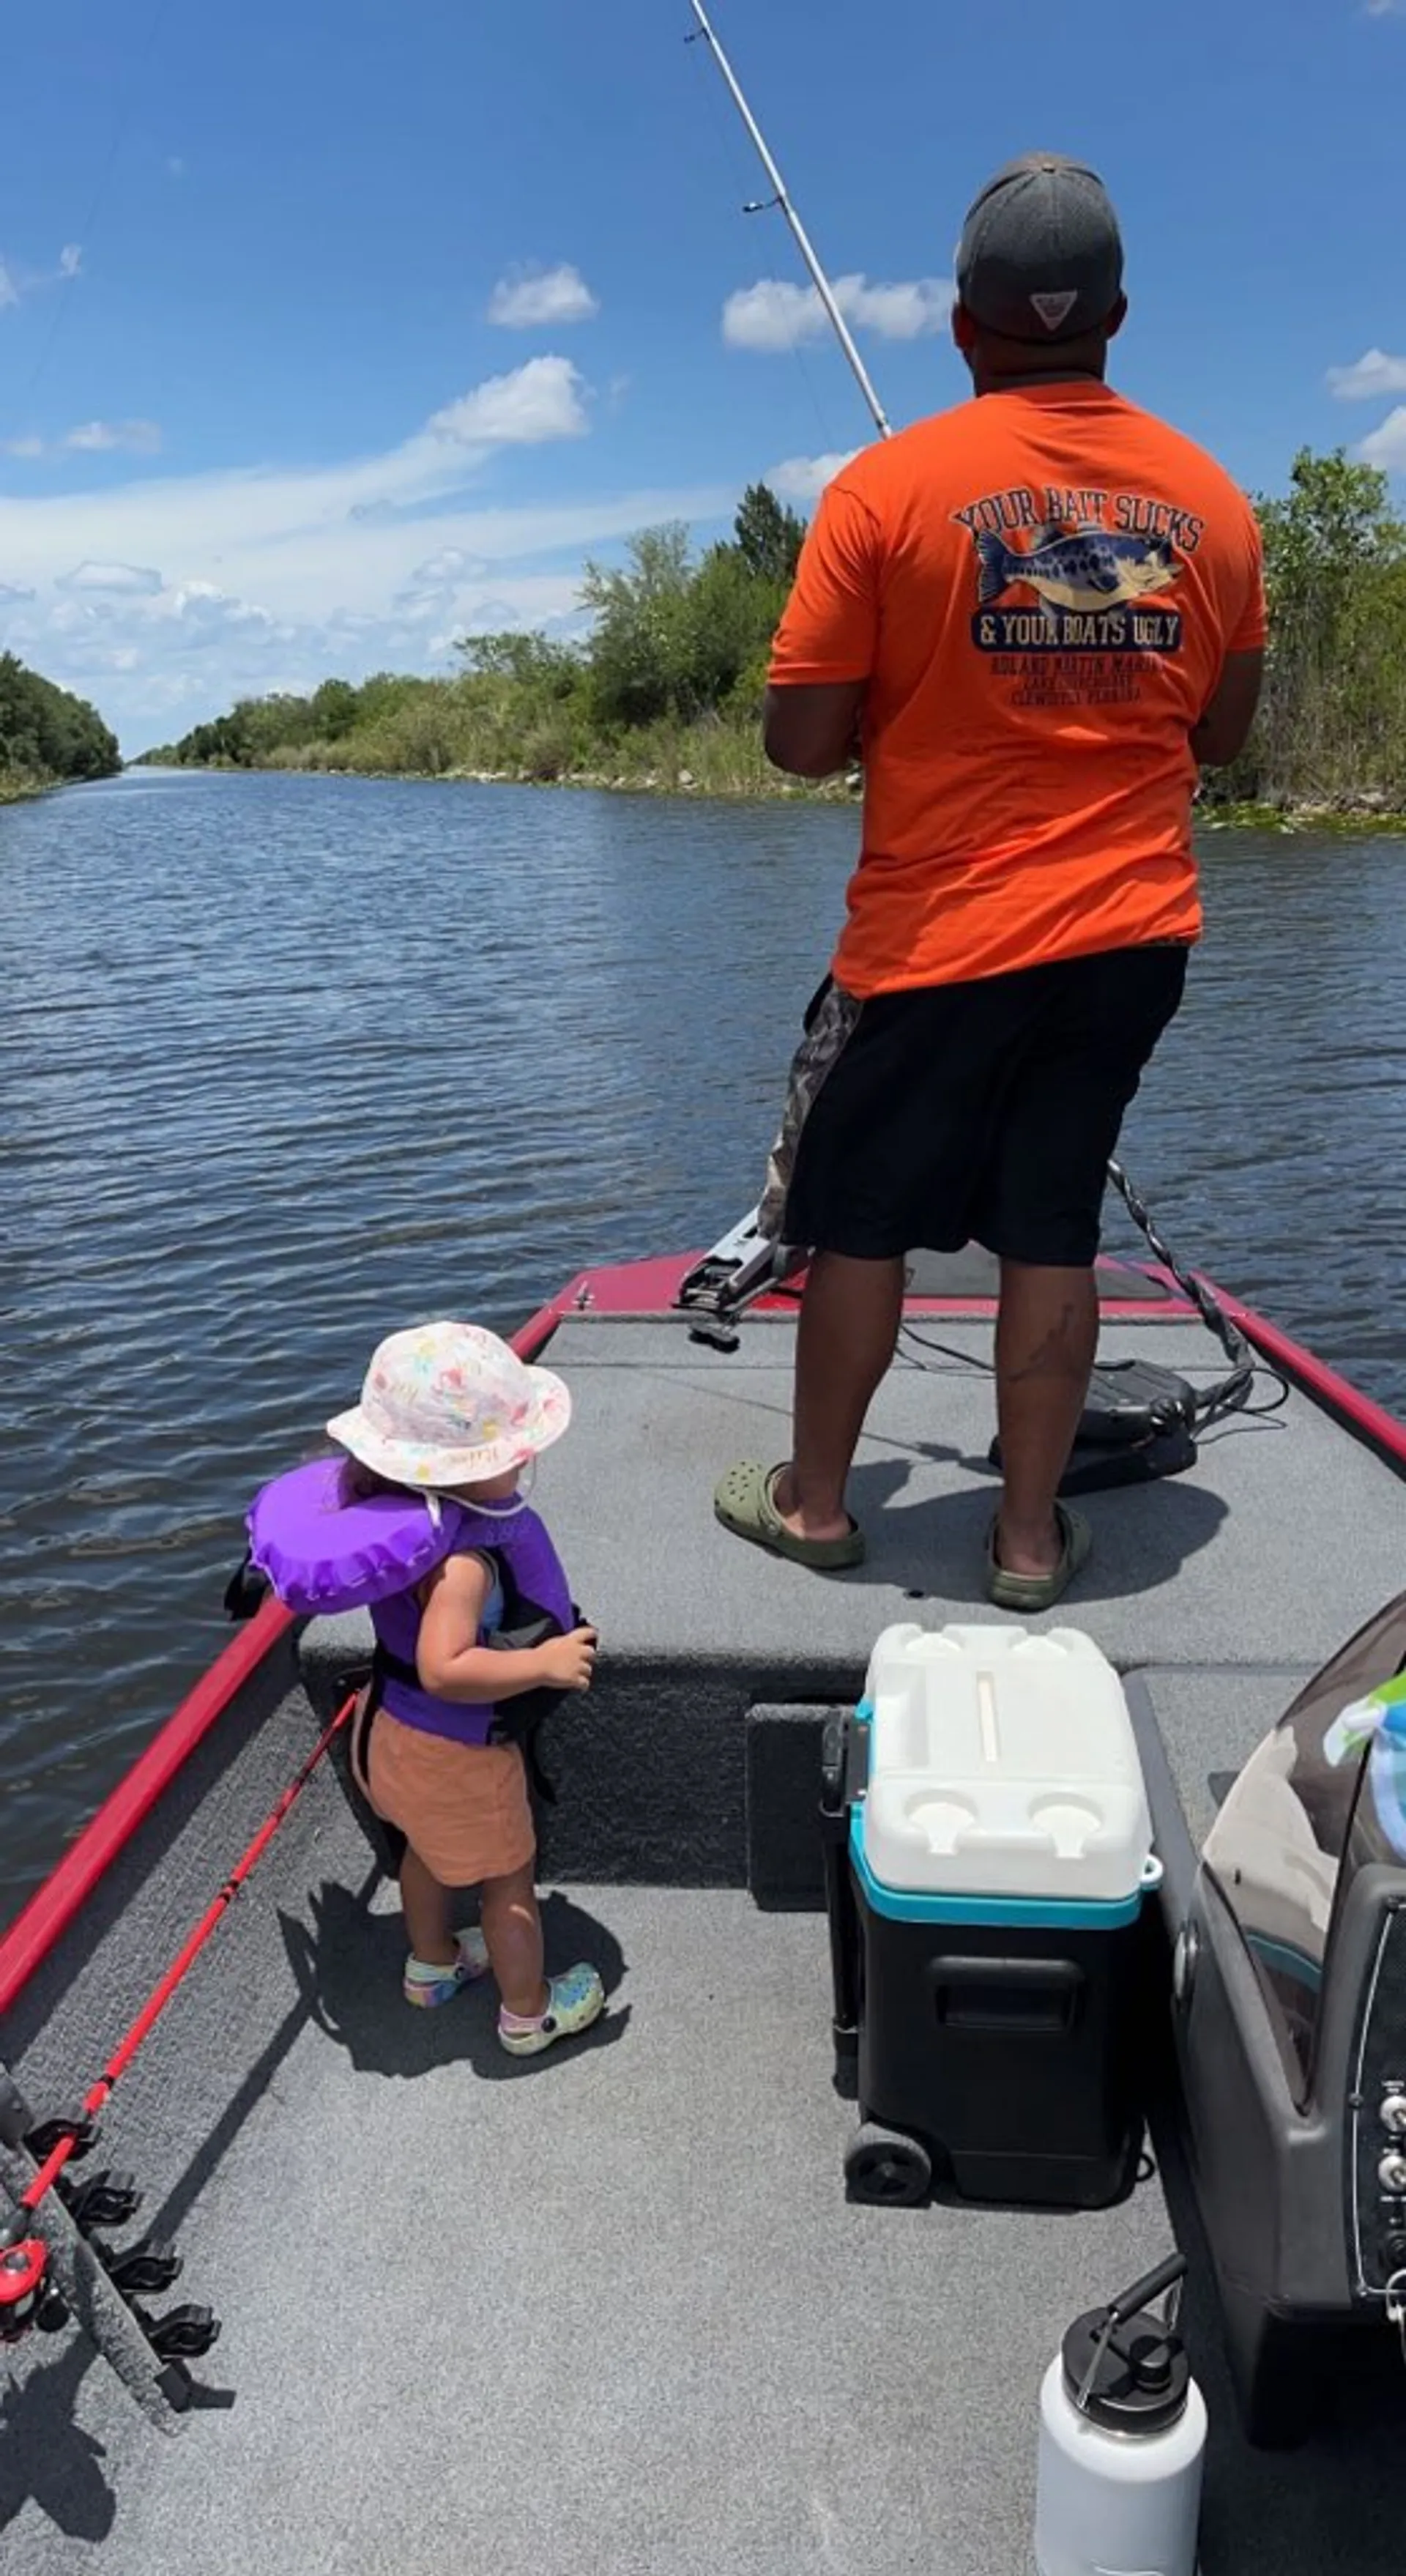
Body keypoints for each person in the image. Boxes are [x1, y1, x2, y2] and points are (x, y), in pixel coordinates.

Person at [714, 152, 1266, 1612]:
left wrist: (915, 691)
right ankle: (1026, 1543)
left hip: (937, 944)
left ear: (960, 326)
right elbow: (1223, 731)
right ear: (1121, 317)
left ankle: (818, 1508)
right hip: (1131, 939)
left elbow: (796, 742)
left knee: (863, 1218)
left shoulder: (885, 492)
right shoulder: (1216, 505)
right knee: (1050, 1221)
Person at [330, 1319, 606, 2053]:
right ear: (465, 1464)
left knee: (421, 1850)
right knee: (507, 1879)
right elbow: (446, 1667)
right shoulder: (465, 1562)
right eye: (513, 1449)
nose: (526, 1457)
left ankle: (434, 1964)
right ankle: (528, 2009)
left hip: (388, 1733)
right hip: (456, 1752)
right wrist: (542, 1665)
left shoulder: (404, 1524)